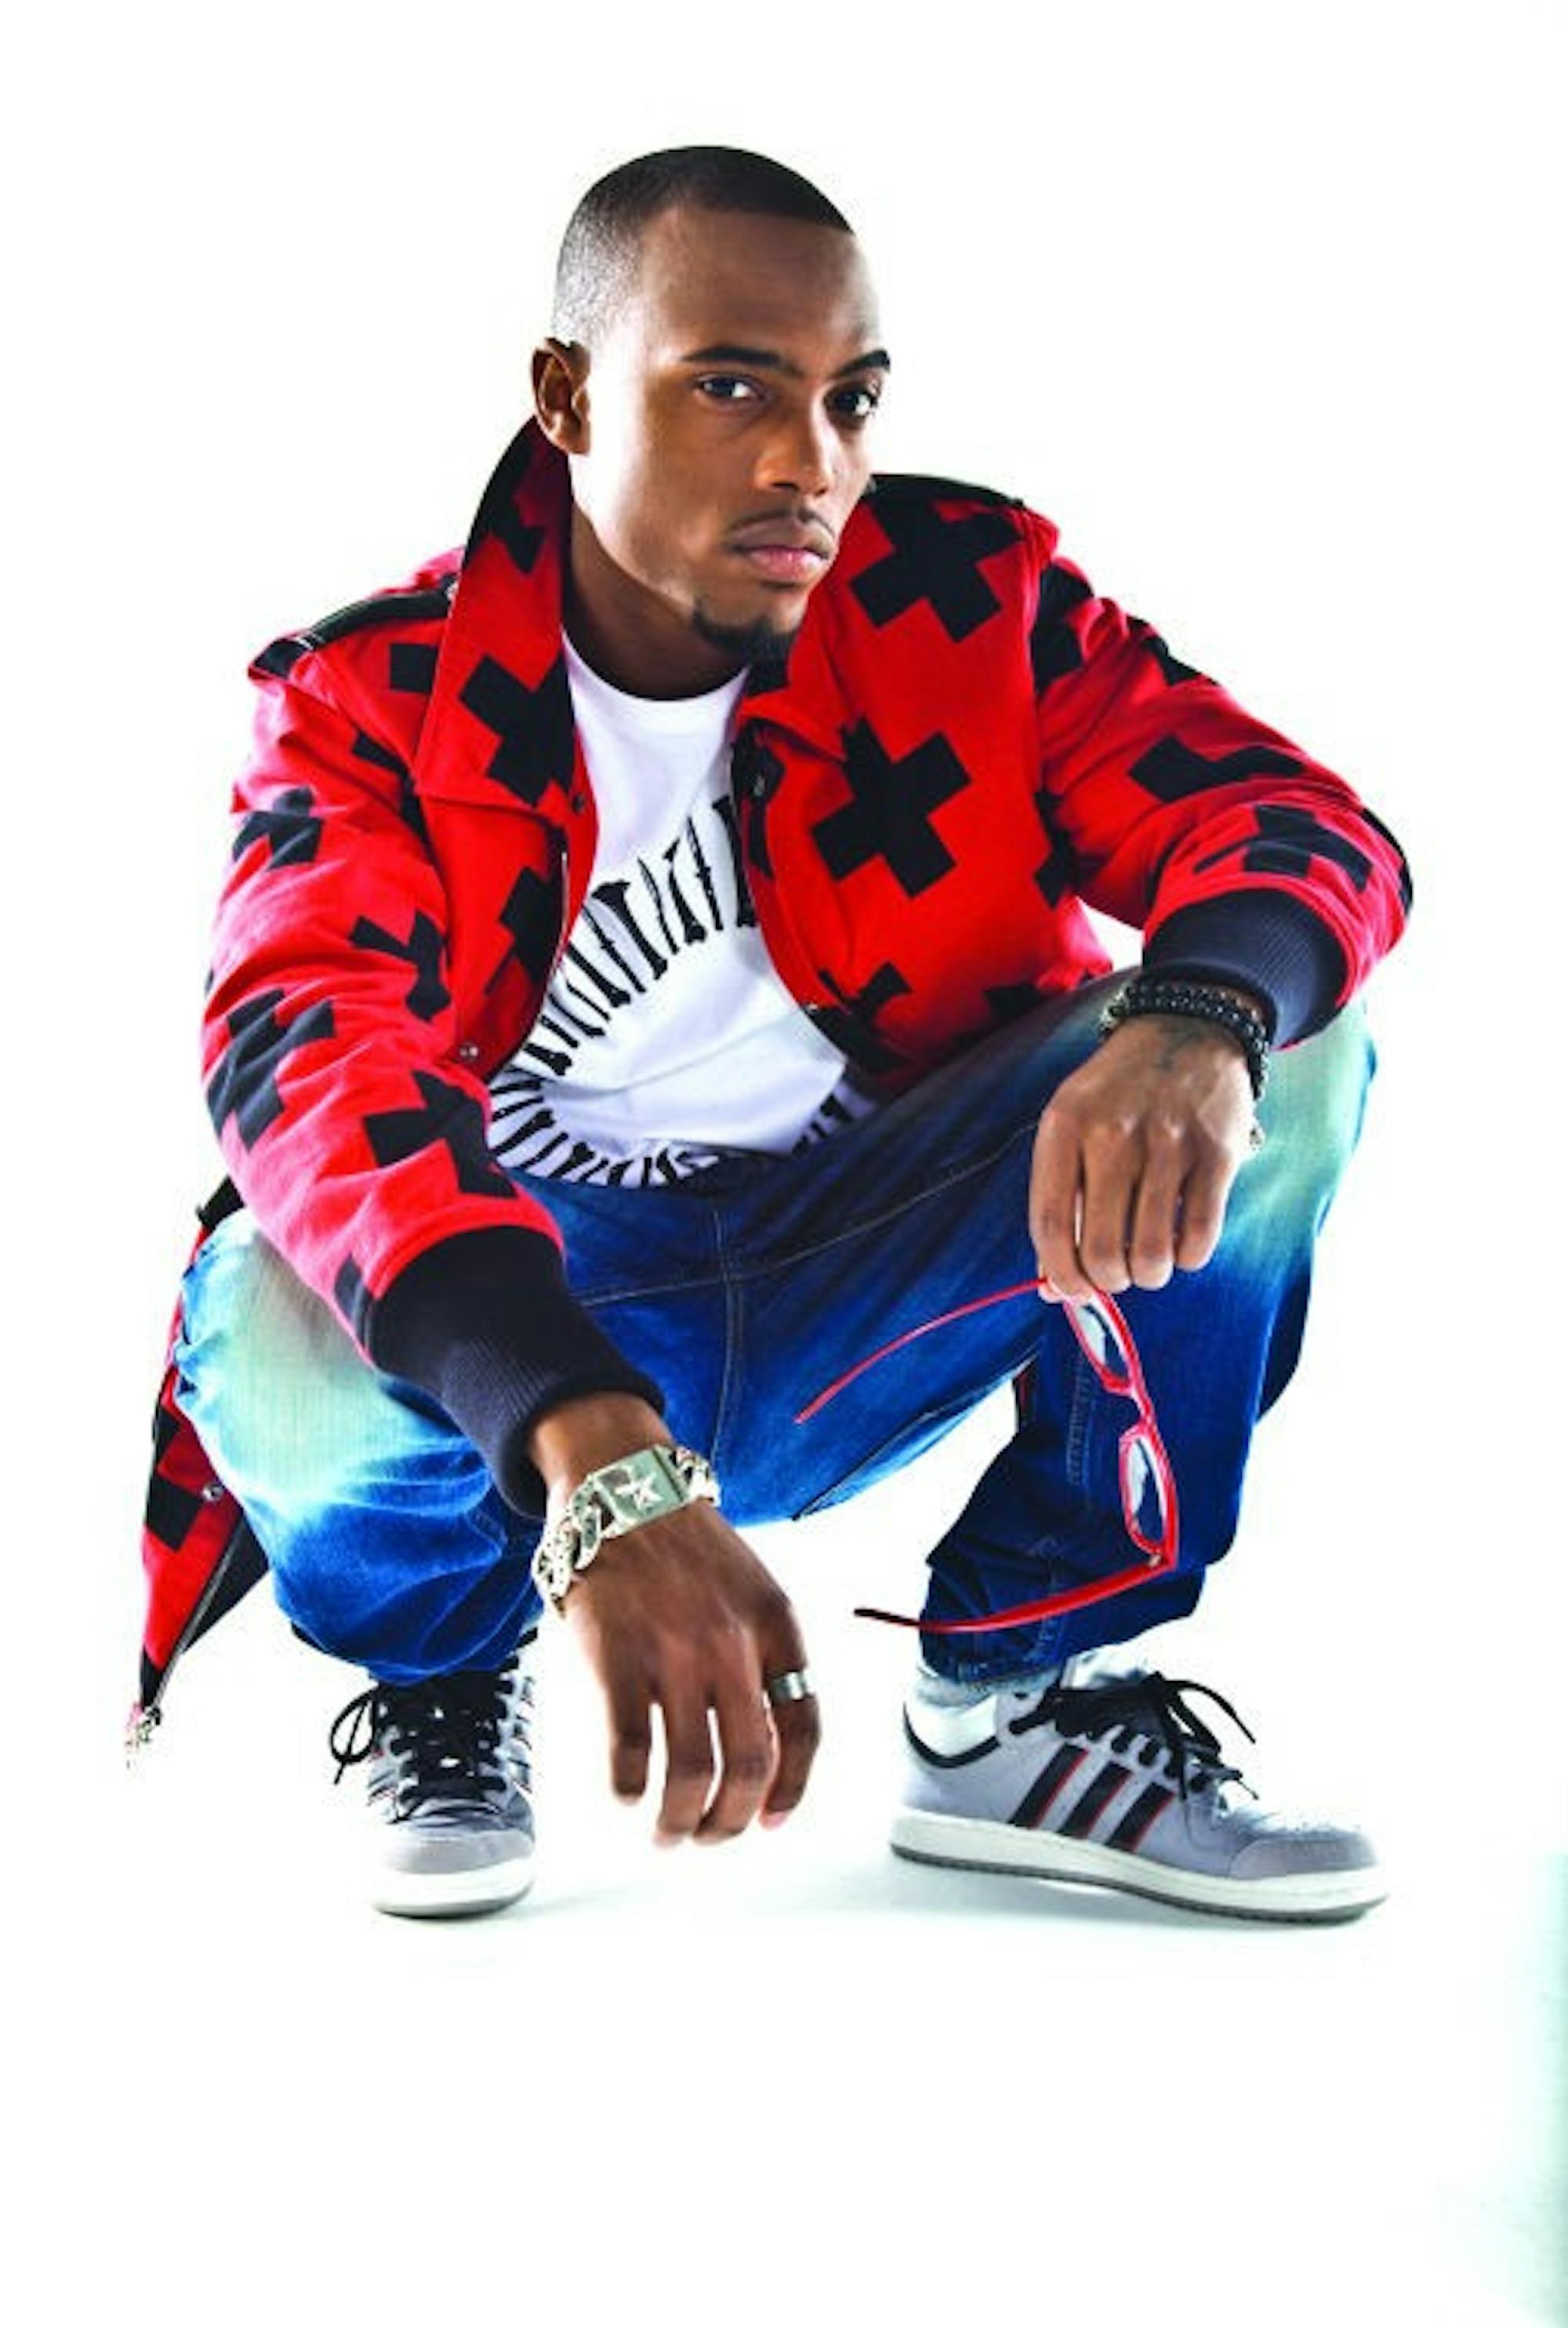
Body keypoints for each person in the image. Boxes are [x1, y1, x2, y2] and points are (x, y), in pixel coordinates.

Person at [134, 146, 1411, 1925]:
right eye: (731, 385)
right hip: (553, 1307)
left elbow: (1293, 823)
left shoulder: (967, 604)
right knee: (270, 1298)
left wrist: (1198, 1015)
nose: (809, 459)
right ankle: (442, 1674)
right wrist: (586, 1442)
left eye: (849, 398)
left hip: (877, 1268)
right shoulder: (372, 697)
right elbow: (303, 1057)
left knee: (1287, 1045)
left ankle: (1011, 1706)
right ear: (568, 397)